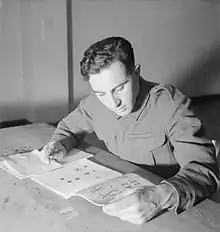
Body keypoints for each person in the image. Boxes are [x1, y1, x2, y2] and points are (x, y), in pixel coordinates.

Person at [41, 36, 219, 224]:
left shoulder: (170, 104)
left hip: (167, 205)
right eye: (101, 93)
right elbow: (69, 128)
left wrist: (159, 197)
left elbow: (203, 170)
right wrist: (59, 143)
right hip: (119, 194)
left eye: (119, 88)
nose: (113, 102)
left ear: (136, 73)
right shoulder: (95, 103)